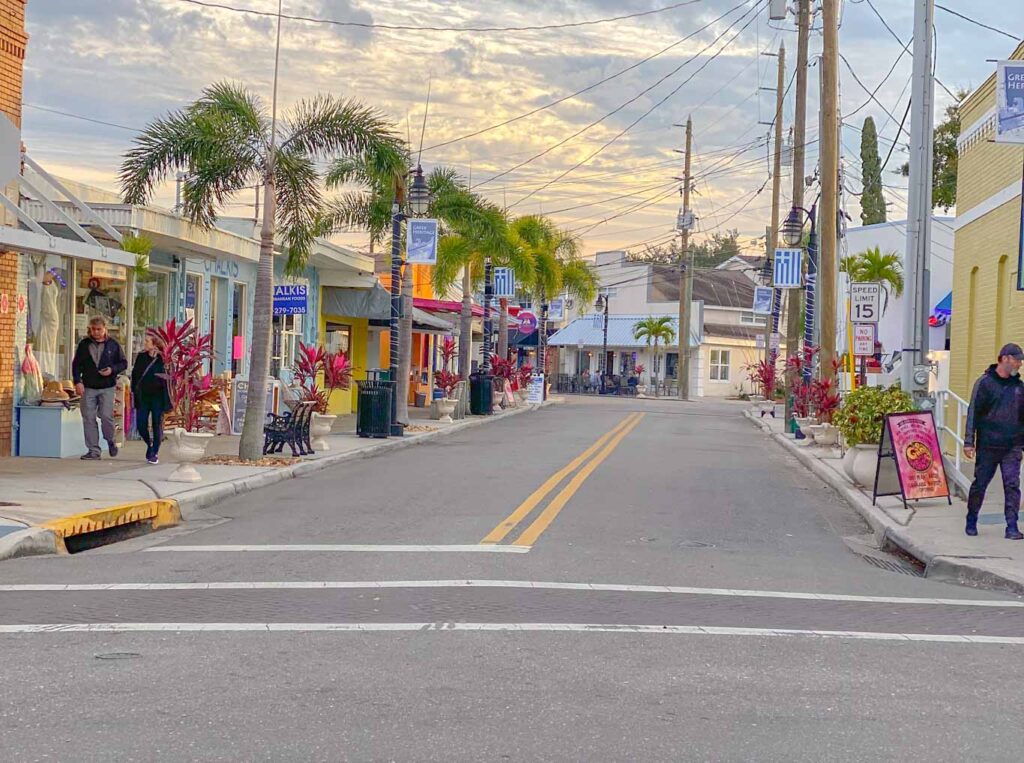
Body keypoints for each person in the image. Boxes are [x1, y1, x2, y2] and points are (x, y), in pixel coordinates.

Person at [963, 343, 1024, 540]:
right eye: (1017, 360)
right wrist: (969, 441)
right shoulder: (985, 383)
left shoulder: (1019, 387)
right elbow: (973, 412)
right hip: (988, 445)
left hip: (1012, 446)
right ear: (1005, 358)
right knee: (980, 484)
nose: (1020, 364)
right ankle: (972, 519)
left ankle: (1012, 527)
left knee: (1012, 485)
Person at [72, 316, 127, 460]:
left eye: (99, 329)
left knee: (106, 416)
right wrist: (78, 381)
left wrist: (112, 369)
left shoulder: (113, 345)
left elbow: (123, 363)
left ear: (105, 329)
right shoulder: (84, 344)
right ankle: (93, 450)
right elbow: (76, 364)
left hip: (107, 386)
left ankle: (110, 440)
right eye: (93, 329)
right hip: (88, 386)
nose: (96, 332)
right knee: (88, 418)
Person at [131, 334, 172, 465]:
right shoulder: (141, 357)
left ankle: (154, 452)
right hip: (143, 396)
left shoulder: (163, 359)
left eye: (147, 341)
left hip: (158, 397)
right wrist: (134, 391)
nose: (145, 343)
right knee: (141, 424)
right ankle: (149, 444)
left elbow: (169, 378)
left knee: (156, 424)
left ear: (155, 344)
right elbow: (135, 375)